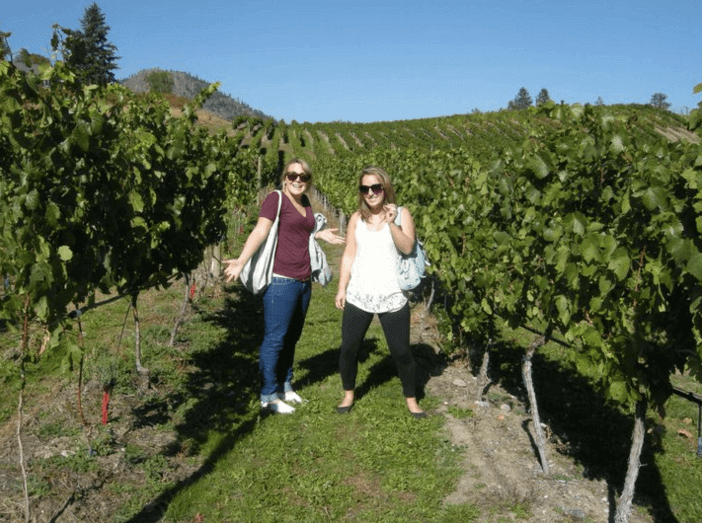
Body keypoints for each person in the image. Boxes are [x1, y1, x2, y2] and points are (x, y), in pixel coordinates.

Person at [224, 159, 344, 414]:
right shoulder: (275, 199)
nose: (298, 180)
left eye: (303, 177)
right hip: (281, 280)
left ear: (309, 181)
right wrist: (241, 261)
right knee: (275, 339)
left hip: (303, 281)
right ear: (285, 177)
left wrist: (319, 234)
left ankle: (285, 386)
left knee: (292, 337)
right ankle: (268, 395)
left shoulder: (305, 203)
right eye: (293, 175)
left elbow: (302, 231)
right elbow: (260, 230)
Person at [334, 165, 426, 418]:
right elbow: (349, 254)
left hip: (392, 294)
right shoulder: (356, 218)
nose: (371, 193)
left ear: (385, 188)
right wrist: (342, 287)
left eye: (376, 187)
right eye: (365, 188)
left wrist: (391, 222)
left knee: (401, 352)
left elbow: (407, 248)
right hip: (360, 293)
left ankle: (411, 399)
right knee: (349, 348)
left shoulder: (402, 214)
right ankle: (349, 394)